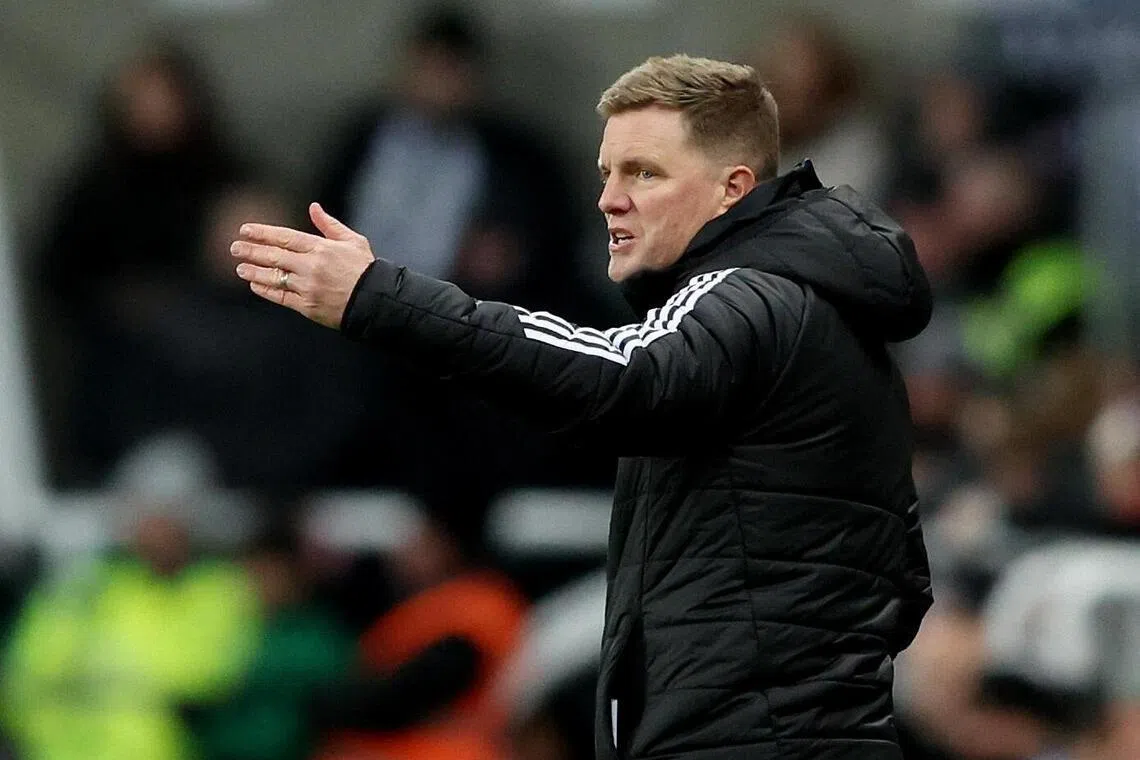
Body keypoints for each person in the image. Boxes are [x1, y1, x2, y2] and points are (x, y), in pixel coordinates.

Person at [232, 54, 934, 760]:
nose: (609, 198)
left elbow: (617, 375)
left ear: (733, 189)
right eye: (607, 173)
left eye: (644, 173)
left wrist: (379, 297)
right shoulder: (814, 313)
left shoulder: (751, 295)